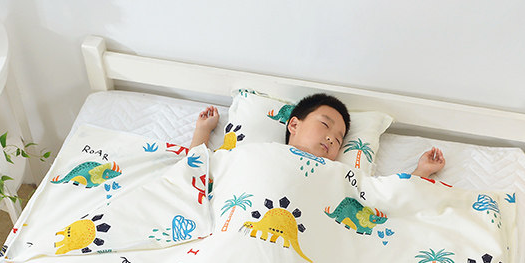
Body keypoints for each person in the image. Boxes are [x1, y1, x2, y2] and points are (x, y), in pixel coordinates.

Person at [190, 93, 445, 179]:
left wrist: (421, 172)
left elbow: (381, 202)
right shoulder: (258, 152)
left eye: (339, 138)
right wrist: (203, 131)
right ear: (293, 124)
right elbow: (199, 171)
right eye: (325, 124)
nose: (332, 138)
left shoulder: (340, 175)